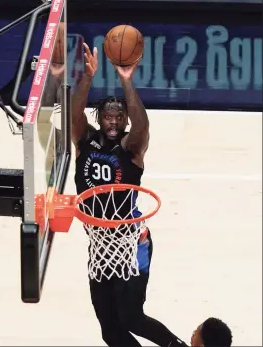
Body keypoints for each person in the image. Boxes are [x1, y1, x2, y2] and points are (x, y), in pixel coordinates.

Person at [72, 42, 188, 347]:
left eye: (119, 117)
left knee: (132, 317)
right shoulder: (85, 142)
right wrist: (87, 78)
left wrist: (126, 80)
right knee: (110, 331)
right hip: (101, 246)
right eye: (108, 116)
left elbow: (143, 126)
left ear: (125, 121)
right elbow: (74, 118)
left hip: (130, 243)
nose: (113, 121)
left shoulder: (131, 149)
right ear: (100, 118)